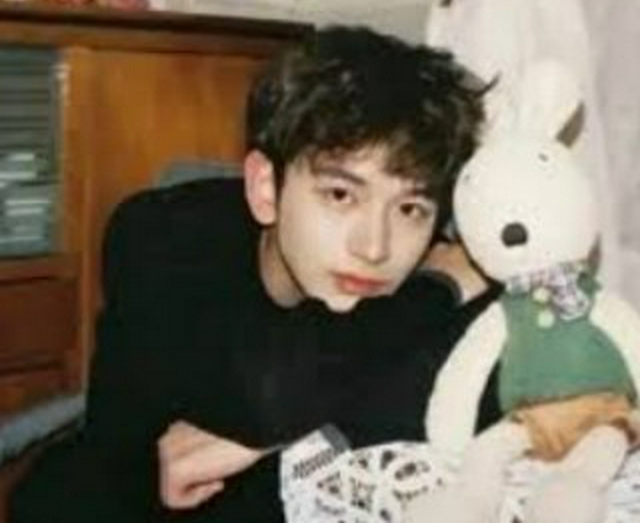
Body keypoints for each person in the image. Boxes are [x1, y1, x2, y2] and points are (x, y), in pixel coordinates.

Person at [11, 26, 500, 522]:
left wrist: (302, 439)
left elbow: (483, 411)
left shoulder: (444, 270)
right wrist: (435, 291)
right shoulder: (163, 237)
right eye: (340, 195)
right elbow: (264, 390)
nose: (374, 247)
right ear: (266, 188)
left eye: (411, 208)